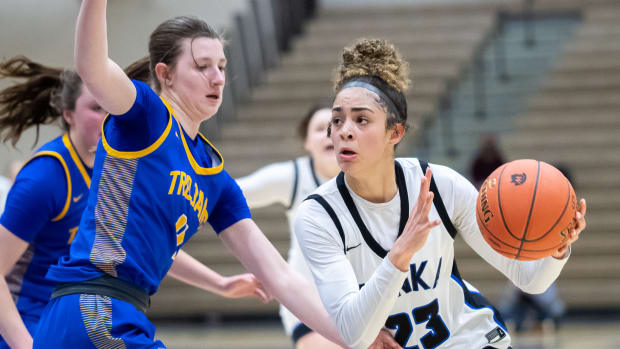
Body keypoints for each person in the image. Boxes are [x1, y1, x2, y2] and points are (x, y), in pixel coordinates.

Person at [33, 1, 399, 347]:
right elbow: (92, 66)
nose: (218, 78)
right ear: (166, 75)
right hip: (92, 309)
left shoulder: (216, 179)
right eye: (202, 66)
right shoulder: (147, 116)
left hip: (116, 314)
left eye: (222, 67)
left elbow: (281, 277)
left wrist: (356, 337)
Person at [293, 38, 587, 349]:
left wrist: (556, 246)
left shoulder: (441, 185)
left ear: (395, 133)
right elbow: (355, 333)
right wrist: (398, 256)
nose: (344, 130)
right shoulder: (318, 215)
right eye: (337, 120)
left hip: (470, 340)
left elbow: (530, 279)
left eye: (361, 119)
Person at [0, 56, 267, 349]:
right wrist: (25, 344)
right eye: (96, 108)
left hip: (83, 319)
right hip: (29, 325)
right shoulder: (47, 177)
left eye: (112, 107)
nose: (109, 115)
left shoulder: (124, 171)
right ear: (68, 115)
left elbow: (142, 246)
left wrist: (220, 283)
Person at [237, 102, 341, 348]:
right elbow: (233, 192)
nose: (329, 133)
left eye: (335, 126)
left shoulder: (370, 178)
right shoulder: (294, 176)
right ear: (306, 142)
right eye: (319, 128)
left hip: (360, 300)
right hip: (307, 300)